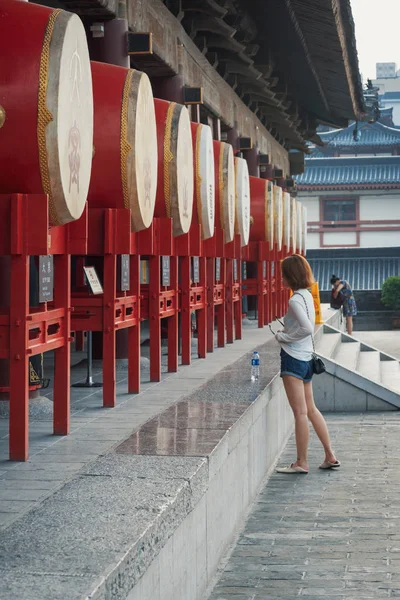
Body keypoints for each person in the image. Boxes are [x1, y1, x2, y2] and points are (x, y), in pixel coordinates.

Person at [275, 255, 340, 474]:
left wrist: (283, 337)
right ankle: (329, 455)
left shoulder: (294, 299)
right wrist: (289, 331)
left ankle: (301, 462)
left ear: (290, 275)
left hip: (293, 359)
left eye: (283, 273)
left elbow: (306, 328)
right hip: (306, 359)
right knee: (311, 409)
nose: (280, 277)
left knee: (300, 413)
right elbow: (305, 326)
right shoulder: (307, 295)